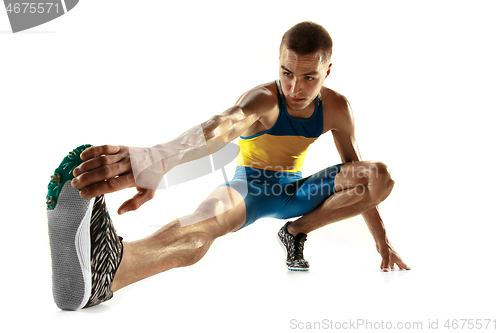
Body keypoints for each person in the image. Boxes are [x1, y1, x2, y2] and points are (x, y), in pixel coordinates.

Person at [46, 21, 410, 311]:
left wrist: (383, 242)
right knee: (200, 226)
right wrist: (162, 156)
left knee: (379, 176)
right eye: (286, 72)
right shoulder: (264, 100)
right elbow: (224, 124)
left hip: (299, 193)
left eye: (309, 77)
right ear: (278, 63)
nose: (294, 87)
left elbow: (356, 173)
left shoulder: (337, 108)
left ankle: (296, 232)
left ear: (327, 71)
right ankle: (114, 271)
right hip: (249, 189)